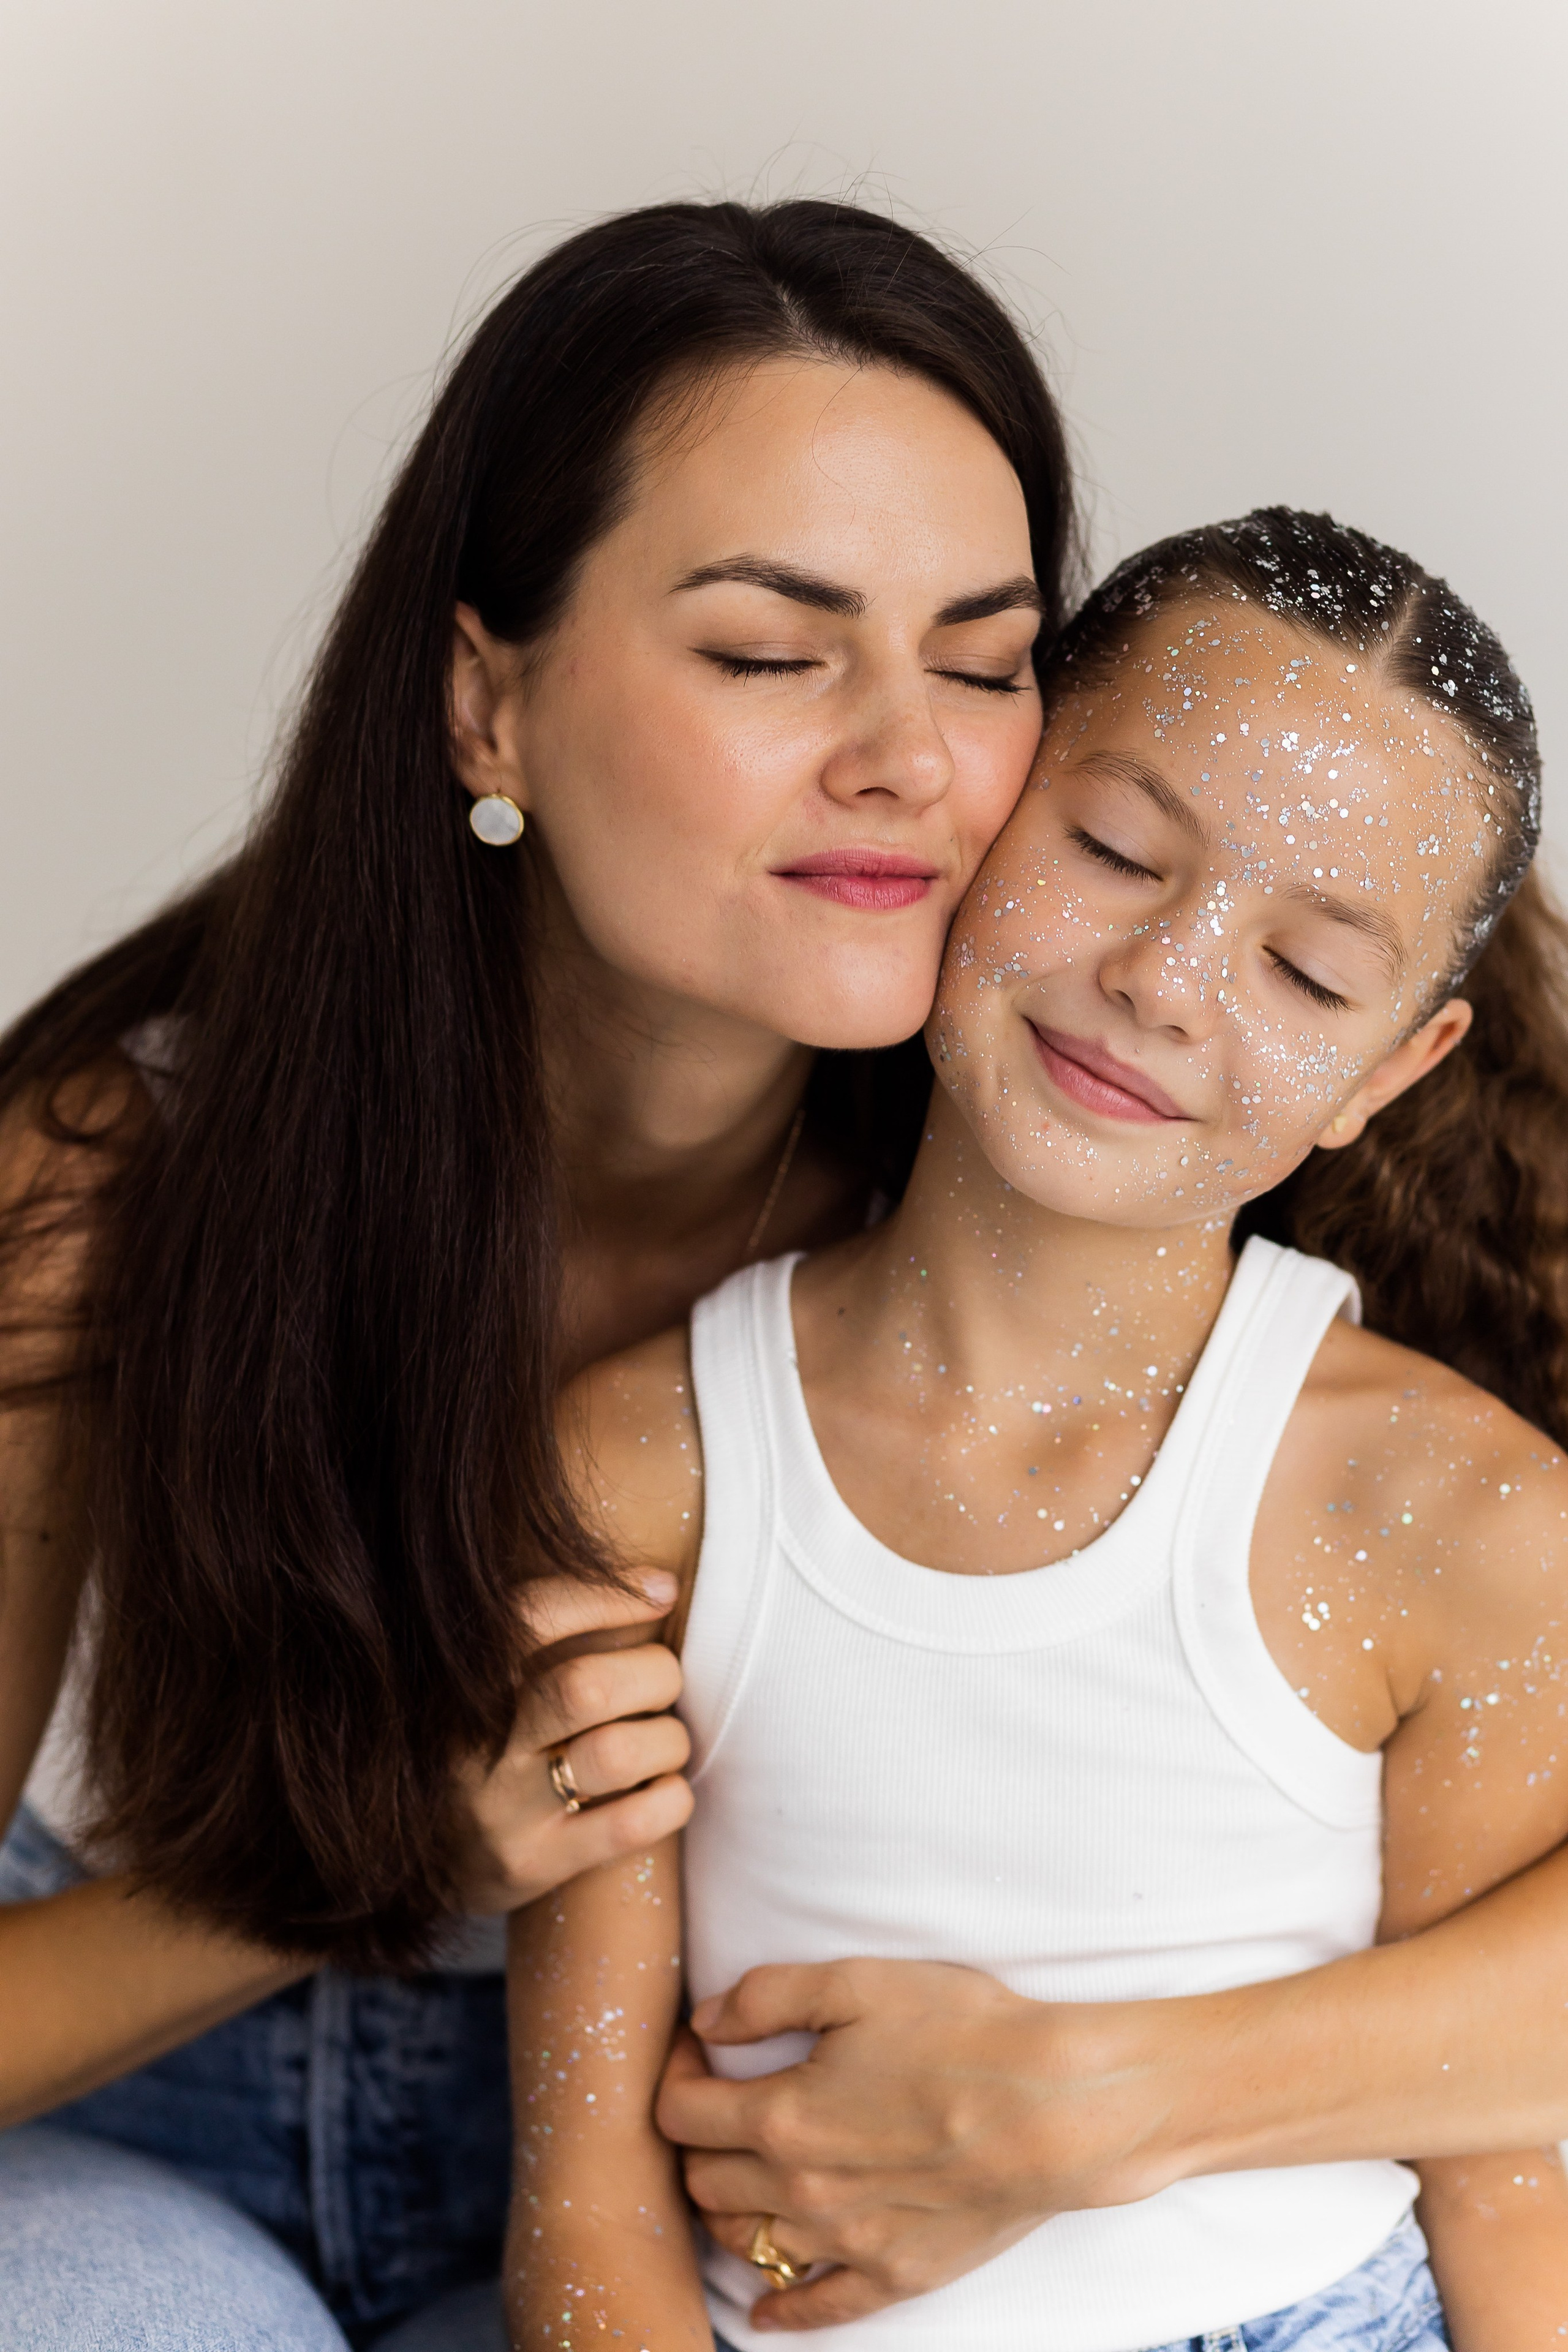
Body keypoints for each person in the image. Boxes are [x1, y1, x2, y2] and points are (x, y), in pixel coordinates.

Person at [0, 198, 1075, 2350]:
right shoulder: (112, 1170)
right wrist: (386, 1854)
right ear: (486, 705)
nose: (912, 755)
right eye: (775, 653)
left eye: (984, 658)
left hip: (692, 2168)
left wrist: (1094, 2106)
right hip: (141, 2106)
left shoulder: (1082, 1164)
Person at [512, 509, 1568, 2351]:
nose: (1166, 982)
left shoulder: (1456, 1516)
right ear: (978, 809)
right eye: (1112, 850)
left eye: (1308, 976)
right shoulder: (638, 1468)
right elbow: (584, 2212)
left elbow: (1508, 2171)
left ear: (1391, 1069)